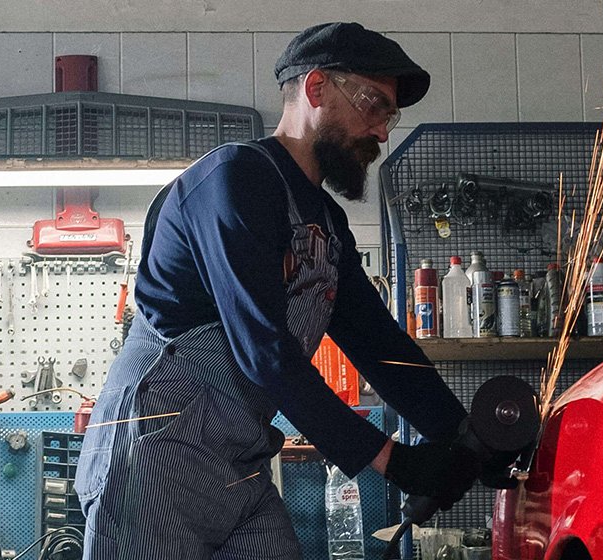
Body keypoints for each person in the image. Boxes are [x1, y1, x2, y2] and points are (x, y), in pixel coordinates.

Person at [75, 22, 503, 559]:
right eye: (373, 105)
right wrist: (393, 460)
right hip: (152, 458)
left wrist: (470, 437)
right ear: (317, 87)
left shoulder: (327, 223)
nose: (381, 131)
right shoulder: (234, 179)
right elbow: (265, 349)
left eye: (389, 116)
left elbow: (379, 346)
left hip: (237, 464)